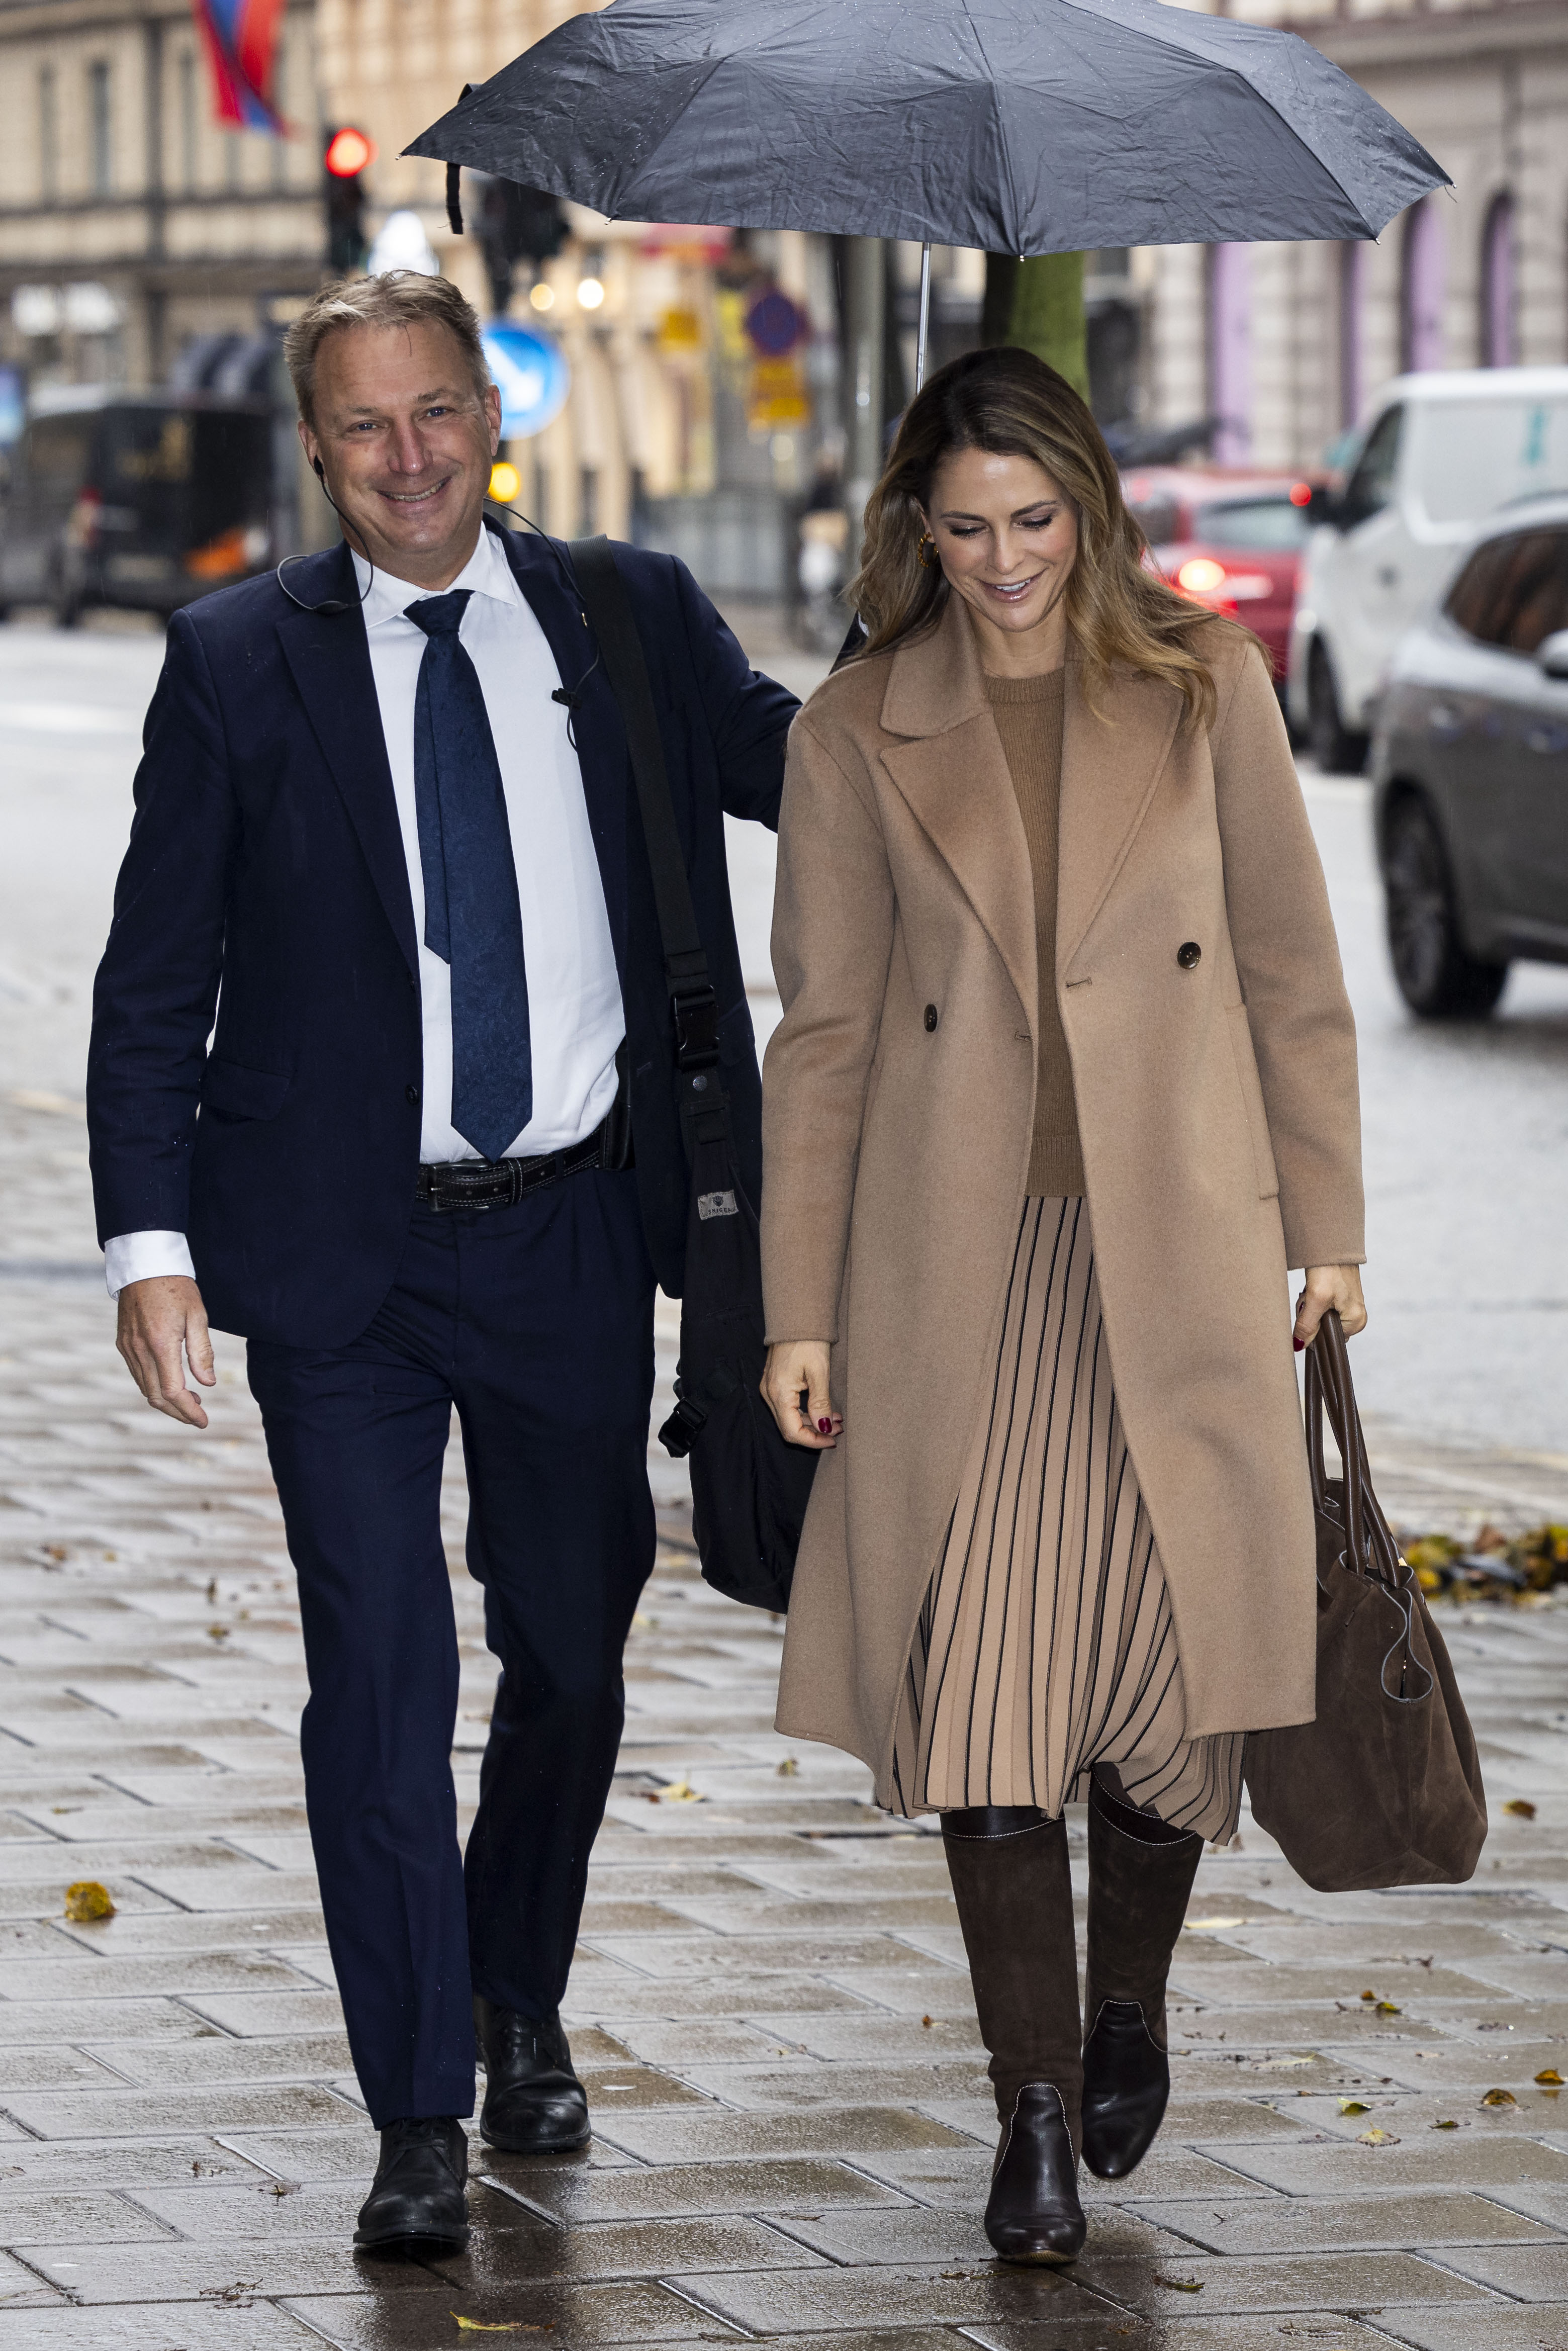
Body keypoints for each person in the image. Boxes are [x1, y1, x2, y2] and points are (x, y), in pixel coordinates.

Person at [86, 270, 796, 2254]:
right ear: (318, 447)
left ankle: (516, 1978)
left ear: (493, 411)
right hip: (343, 1260)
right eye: (364, 426)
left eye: (436, 413)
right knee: (378, 1673)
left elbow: (806, 768)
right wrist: (150, 1242)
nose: (407, 458)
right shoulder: (237, 660)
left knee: (571, 1647)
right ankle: (417, 2100)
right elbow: (156, 979)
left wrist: (992, 652)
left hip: (579, 1224)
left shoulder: (628, 615)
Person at [759, 348, 1365, 2265]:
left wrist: (1330, 1226)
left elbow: (1291, 968)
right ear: (914, 528)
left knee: (1172, 1697)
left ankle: (1129, 2003)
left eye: (1037, 521)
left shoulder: (1203, 688)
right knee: (988, 1691)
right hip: (963, 1273)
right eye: (966, 525)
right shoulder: (857, 728)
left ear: (1089, 509)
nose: (1006, 560)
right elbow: (828, 1037)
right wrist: (800, 1310)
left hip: (1173, 1253)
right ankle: (1029, 2108)